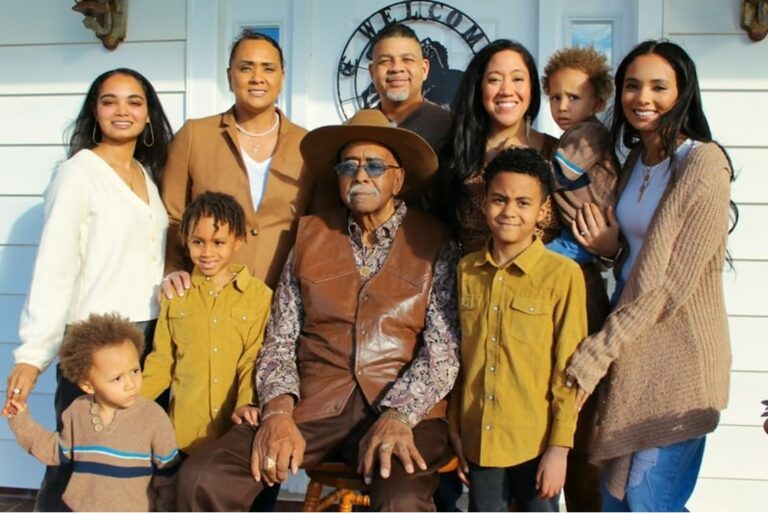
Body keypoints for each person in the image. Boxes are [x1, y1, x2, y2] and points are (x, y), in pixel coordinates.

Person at [176, 109, 460, 512]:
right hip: (315, 403)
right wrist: (277, 410)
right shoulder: (310, 236)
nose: (361, 175)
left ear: (398, 178)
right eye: (349, 165)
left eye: (375, 165)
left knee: (401, 499)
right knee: (204, 476)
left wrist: (400, 415)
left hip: (404, 408)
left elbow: (443, 352)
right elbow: (281, 338)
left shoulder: (433, 242)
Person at [565, 40, 737, 511]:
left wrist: (595, 354)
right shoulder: (636, 161)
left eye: (659, 87)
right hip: (633, 354)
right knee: (616, 498)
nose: (643, 97)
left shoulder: (703, 163)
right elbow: (636, 257)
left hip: (679, 359)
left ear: (682, 92)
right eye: (632, 86)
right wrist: (610, 249)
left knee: (648, 500)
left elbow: (669, 286)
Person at [3, 68, 174, 511]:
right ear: (94, 112)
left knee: (129, 461)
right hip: (95, 340)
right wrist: (32, 354)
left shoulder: (145, 175)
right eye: (109, 101)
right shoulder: (78, 173)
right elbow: (54, 266)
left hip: (148, 335)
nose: (122, 110)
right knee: (75, 460)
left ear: (149, 115)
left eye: (134, 101)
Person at [448, 147, 587, 512]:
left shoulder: (563, 275)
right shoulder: (466, 271)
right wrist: (455, 430)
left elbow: (568, 373)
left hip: (536, 441)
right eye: (499, 199)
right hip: (480, 439)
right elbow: (458, 358)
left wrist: (560, 448)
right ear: (484, 203)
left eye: (523, 202)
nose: (509, 211)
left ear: (542, 209)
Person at [161, 30, 335, 296]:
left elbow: (320, 229)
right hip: (207, 298)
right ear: (229, 76)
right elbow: (173, 217)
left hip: (283, 301)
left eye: (268, 68)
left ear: (282, 78)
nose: (257, 78)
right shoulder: (195, 136)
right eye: (245, 68)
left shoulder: (307, 145)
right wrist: (173, 269)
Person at [540, 46, 619, 512]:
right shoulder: (590, 136)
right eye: (555, 98)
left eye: (574, 97)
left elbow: (564, 172)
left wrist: (539, 166)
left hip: (577, 243)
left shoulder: (585, 137)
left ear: (597, 101)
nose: (563, 106)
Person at [2, 313, 180, 512]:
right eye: (117, 378)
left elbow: (168, 477)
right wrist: (19, 419)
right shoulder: (78, 412)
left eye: (135, 370)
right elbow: (55, 451)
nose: (131, 383)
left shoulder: (153, 418)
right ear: (88, 385)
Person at [141, 192, 272, 454]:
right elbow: (162, 362)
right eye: (198, 242)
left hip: (233, 433)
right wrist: (128, 406)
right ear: (185, 241)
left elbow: (252, 359)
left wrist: (245, 404)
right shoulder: (175, 296)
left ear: (238, 241)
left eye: (218, 242)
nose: (207, 252)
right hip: (181, 436)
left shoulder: (259, 296)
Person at [432, 39, 560, 254]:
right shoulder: (458, 154)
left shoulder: (558, 153)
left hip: (552, 284)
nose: (506, 90)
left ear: (532, 88)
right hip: (475, 283)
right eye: (494, 80)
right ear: (479, 87)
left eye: (518, 79)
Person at [368, 23, 452, 156]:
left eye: (407, 59)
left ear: (424, 69)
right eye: (385, 61)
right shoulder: (357, 127)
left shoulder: (450, 128)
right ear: (372, 72)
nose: (396, 68)